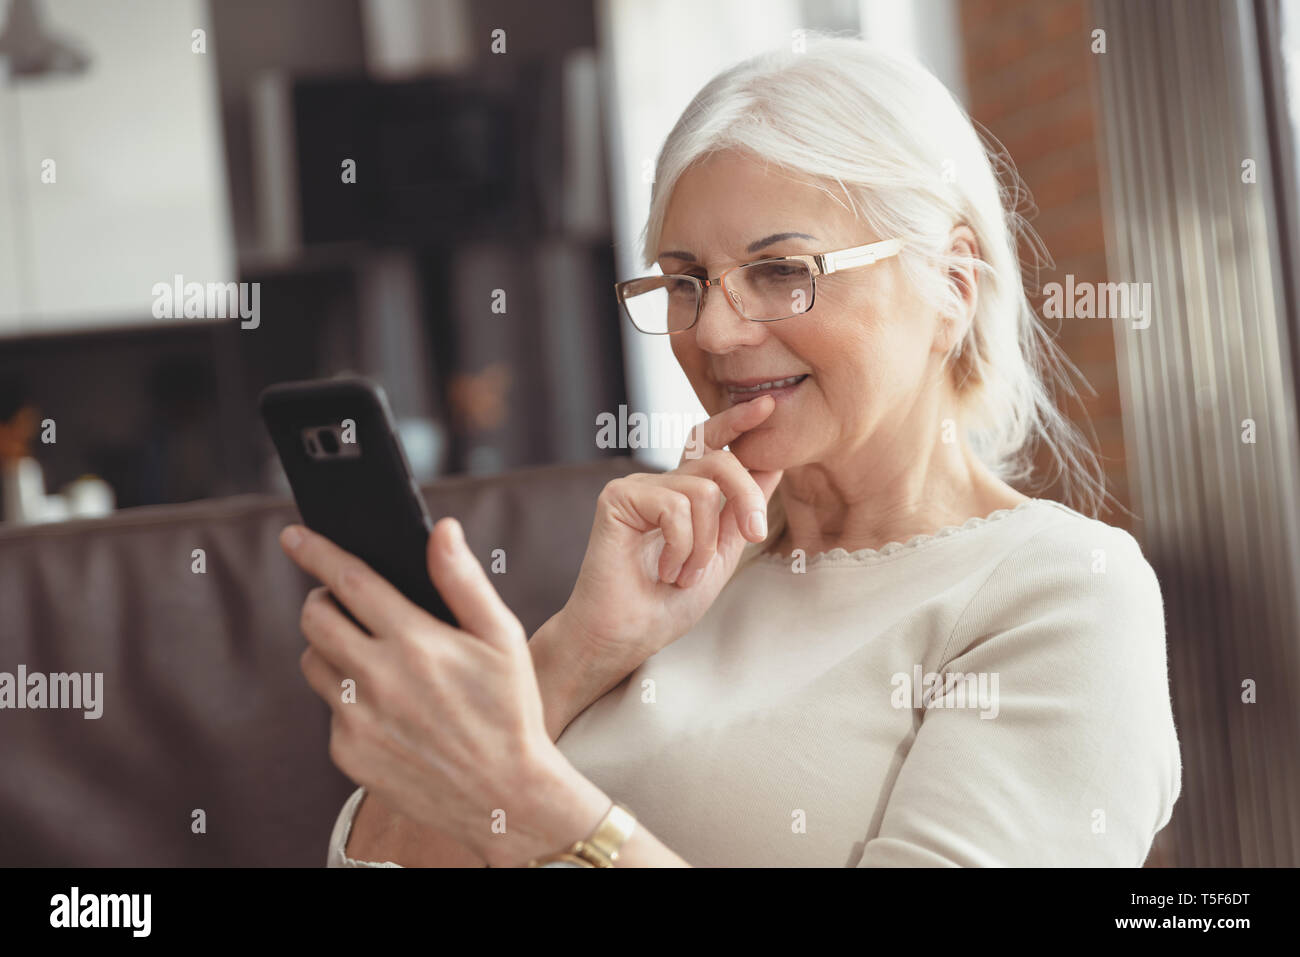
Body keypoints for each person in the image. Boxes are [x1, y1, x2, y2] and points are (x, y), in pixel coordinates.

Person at [284, 35, 1181, 868]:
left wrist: (532, 800)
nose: (711, 330)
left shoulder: (1066, 593)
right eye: (684, 281)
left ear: (950, 285)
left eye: (783, 272)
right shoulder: (673, 572)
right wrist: (575, 653)